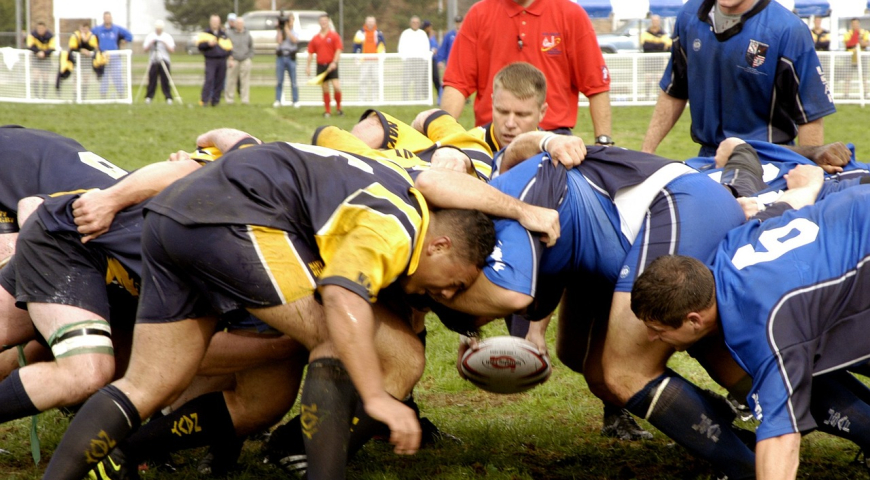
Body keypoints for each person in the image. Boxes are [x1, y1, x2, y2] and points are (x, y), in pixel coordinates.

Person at [41, 130, 561, 480]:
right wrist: (377, 399)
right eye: (454, 283)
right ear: (440, 245)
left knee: (145, 386)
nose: (447, 295)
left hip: (171, 215)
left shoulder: (395, 182)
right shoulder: (397, 221)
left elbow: (439, 181)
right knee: (338, 336)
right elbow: (340, 295)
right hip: (232, 217)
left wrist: (522, 211)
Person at [631, 181, 870, 480]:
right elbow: (787, 205)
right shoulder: (731, 246)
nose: (652, 338)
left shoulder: (766, 327)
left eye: (657, 329)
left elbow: (782, 436)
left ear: (694, 320)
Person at [641, 0, 836, 157]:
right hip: (708, 159)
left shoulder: (788, 30)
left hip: (767, 161)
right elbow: (674, 90)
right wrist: (646, 153)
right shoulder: (689, 16)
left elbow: (809, 115)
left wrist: (807, 180)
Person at [442, 0, 612, 141]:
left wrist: (603, 142)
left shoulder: (570, 15)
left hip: (551, 136)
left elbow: (596, 85)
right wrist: (443, 139)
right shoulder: (479, 14)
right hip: (494, 135)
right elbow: (457, 84)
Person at [306, 14, 343, 117]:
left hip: (332, 65)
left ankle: (339, 108)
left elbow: (338, 49)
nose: (323, 22)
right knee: (325, 88)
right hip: (321, 65)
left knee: (337, 87)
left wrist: (334, 62)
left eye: (325, 21)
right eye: (321, 21)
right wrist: (308, 66)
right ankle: (327, 111)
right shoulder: (315, 38)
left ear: (328, 22)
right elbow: (310, 52)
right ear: (319, 22)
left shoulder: (334, 36)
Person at [91, 11, 132, 99]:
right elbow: (89, 36)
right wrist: (94, 44)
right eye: (106, 18)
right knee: (104, 77)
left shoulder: (116, 29)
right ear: (103, 19)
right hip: (102, 57)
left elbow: (129, 36)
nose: (107, 19)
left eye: (109, 17)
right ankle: (103, 96)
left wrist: (124, 41)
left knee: (117, 76)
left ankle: (121, 96)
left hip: (114, 56)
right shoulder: (98, 29)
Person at [197, 14, 232, 107]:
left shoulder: (223, 34)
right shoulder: (205, 33)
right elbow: (200, 47)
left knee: (220, 81)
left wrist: (230, 57)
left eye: (217, 22)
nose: (215, 23)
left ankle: (215, 101)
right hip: (211, 60)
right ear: (210, 22)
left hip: (222, 60)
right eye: (213, 21)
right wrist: (208, 44)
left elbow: (229, 48)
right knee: (209, 79)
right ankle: (204, 100)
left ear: (219, 22)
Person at [397, 16, 434, 103]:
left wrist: (424, 60)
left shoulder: (422, 34)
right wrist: (404, 58)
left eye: (417, 22)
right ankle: (405, 100)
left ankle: (417, 100)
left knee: (418, 82)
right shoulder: (405, 33)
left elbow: (426, 47)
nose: (415, 24)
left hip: (420, 61)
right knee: (406, 81)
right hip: (408, 61)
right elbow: (401, 47)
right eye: (413, 22)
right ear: (410, 23)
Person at [353, 16, 386, 103]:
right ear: (366, 22)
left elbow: (383, 45)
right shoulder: (360, 33)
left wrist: (382, 57)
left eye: (372, 22)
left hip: (375, 61)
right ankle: (362, 100)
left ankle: (374, 99)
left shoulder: (378, 33)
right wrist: (356, 58)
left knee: (376, 80)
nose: (370, 23)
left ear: (375, 23)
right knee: (363, 80)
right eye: (369, 21)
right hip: (364, 60)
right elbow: (356, 46)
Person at [142, 20, 175, 105]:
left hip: (164, 60)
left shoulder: (167, 37)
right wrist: (151, 43)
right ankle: (149, 97)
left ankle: (168, 97)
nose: (158, 30)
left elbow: (172, 50)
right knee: (152, 79)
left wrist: (164, 43)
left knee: (165, 80)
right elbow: (145, 49)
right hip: (153, 60)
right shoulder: (151, 36)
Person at [225, 17, 253, 105]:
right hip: (233, 60)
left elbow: (251, 47)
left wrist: (249, 57)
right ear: (235, 24)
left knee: (245, 81)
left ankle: (244, 100)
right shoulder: (230, 34)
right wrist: (229, 57)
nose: (239, 25)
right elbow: (226, 46)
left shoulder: (247, 34)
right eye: (238, 23)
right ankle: (229, 99)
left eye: (241, 23)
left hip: (245, 59)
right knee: (231, 80)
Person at [274, 14, 300, 108]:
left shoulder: (295, 31)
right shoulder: (281, 31)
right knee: (279, 80)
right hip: (281, 57)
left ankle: (295, 100)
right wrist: (279, 29)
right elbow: (279, 41)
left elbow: (294, 40)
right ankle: (278, 100)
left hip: (291, 57)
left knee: (293, 81)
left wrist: (286, 29)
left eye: (290, 20)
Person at [26, 21, 55, 99]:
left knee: (45, 77)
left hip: (46, 58)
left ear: (45, 28)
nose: (40, 30)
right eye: (39, 28)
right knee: (36, 76)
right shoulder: (32, 35)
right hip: (36, 57)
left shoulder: (50, 36)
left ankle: (44, 96)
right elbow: (30, 46)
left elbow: (52, 48)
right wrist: (38, 52)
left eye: (42, 28)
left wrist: (44, 53)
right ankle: (36, 96)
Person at [436, 15, 463, 96]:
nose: (458, 25)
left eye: (460, 22)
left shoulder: (466, 34)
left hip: (462, 64)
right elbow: (443, 48)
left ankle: (463, 98)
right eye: (457, 23)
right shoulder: (449, 35)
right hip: (451, 63)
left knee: (462, 82)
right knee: (448, 81)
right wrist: (440, 60)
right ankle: (442, 98)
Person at [422, 20, 441, 103]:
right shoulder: (422, 36)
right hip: (424, 61)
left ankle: (440, 96)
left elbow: (436, 47)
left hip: (433, 60)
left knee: (436, 78)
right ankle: (425, 98)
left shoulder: (432, 36)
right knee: (424, 80)